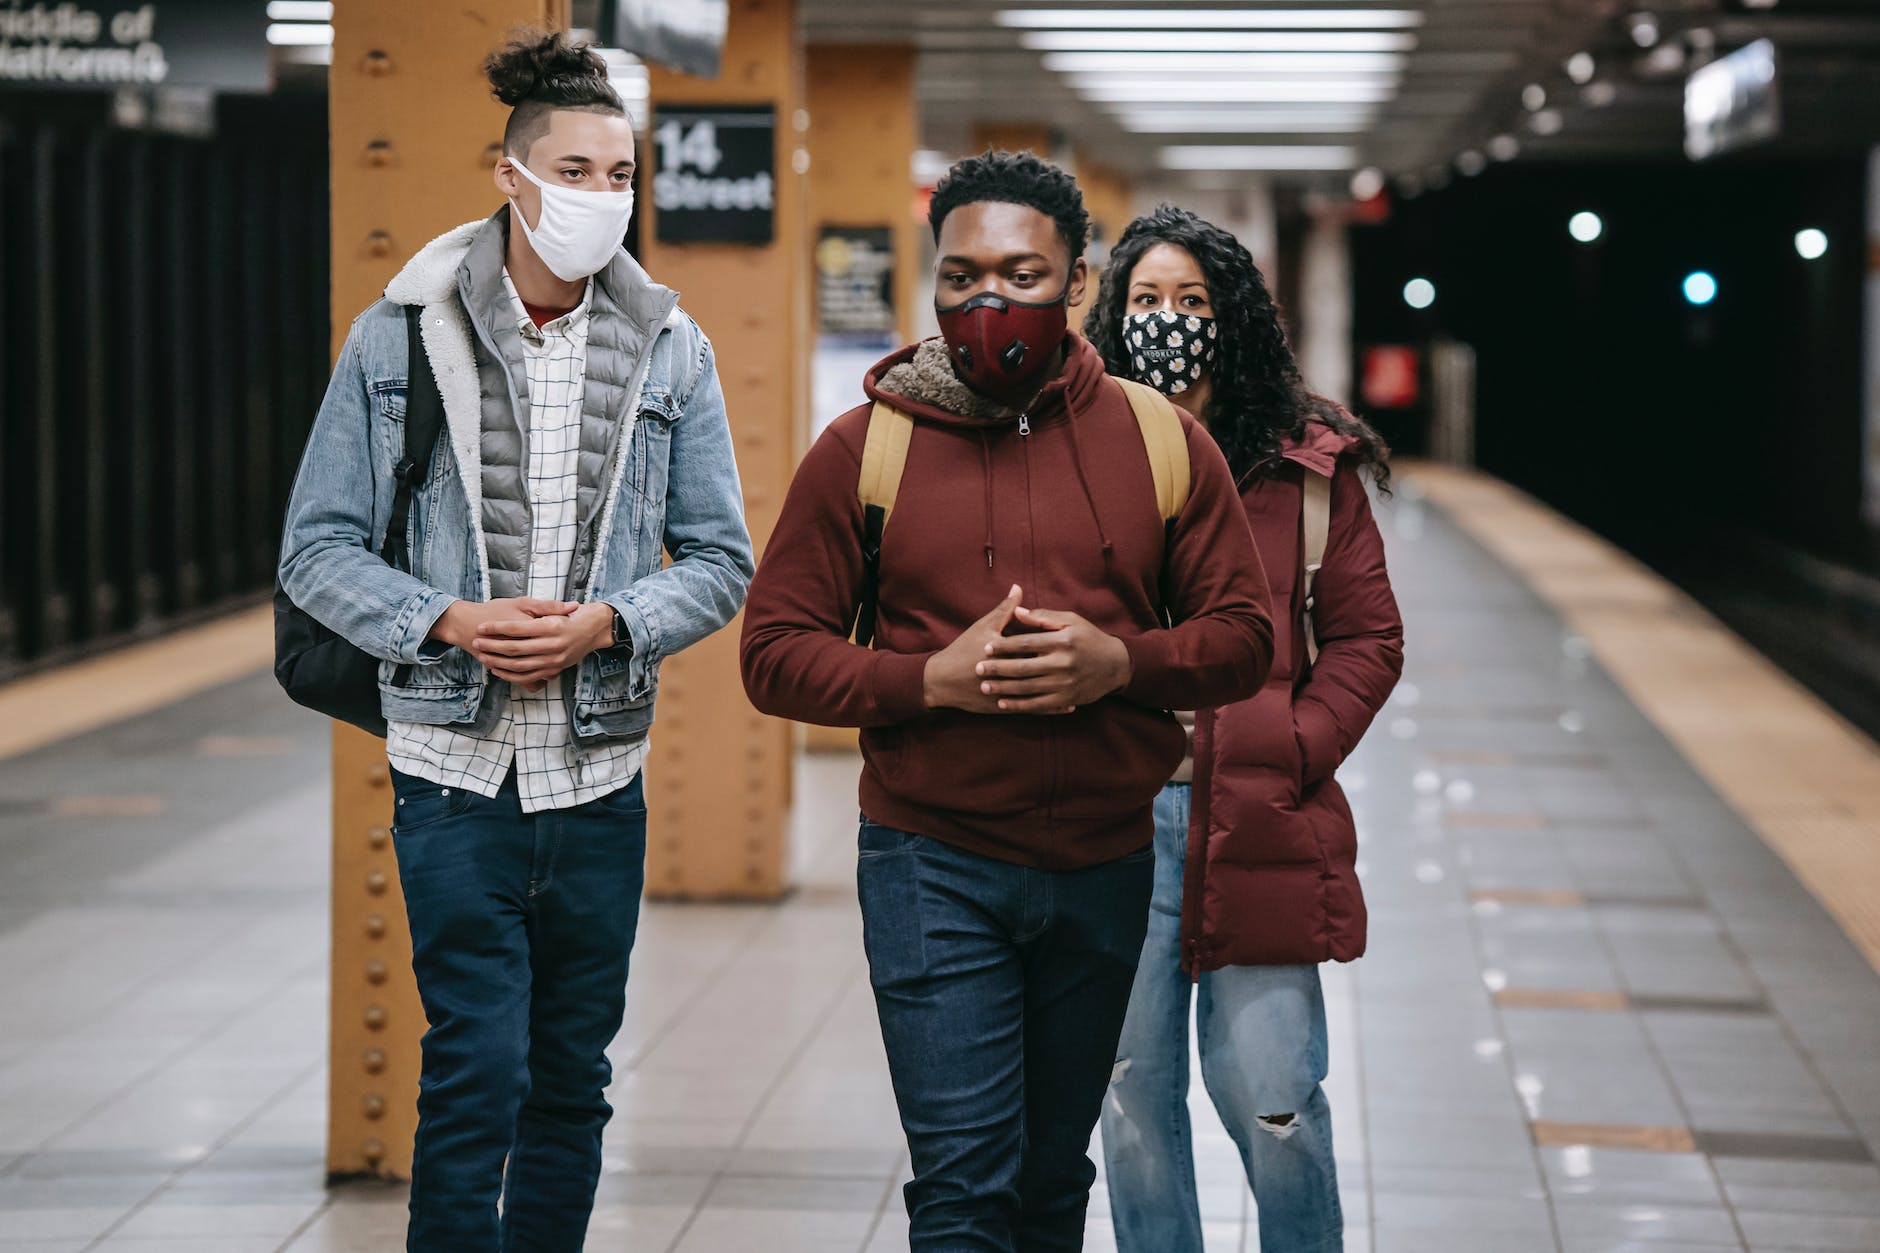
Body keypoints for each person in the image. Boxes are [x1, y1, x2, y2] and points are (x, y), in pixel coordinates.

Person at [740, 151, 1275, 1251]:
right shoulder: (864, 446)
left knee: (1043, 1181)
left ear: (1078, 283)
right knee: (964, 1186)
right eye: (960, 275)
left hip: (1103, 865)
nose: (988, 302)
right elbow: (774, 654)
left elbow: (1243, 640)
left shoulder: (1161, 442)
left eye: (1021, 274)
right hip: (930, 860)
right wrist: (924, 679)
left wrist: (1117, 663)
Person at [277, 31, 752, 1252]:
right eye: (576, 170)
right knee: (474, 1067)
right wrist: (445, 616)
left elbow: (719, 560)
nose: (602, 198)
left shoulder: (670, 346)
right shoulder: (399, 339)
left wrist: (612, 620)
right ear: (510, 174)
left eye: (619, 176)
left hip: (597, 776)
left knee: (570, 1076)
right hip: (452, 775)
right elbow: (314, 551)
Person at [1084, 205, 1403, 1253]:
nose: (1167, 321)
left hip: (1258, 818)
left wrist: (1293, 745)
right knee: (1128, 1100)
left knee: (1277, 1101)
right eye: (1144, 300)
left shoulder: (1303, 465)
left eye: (1191, 301)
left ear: (1234, 320)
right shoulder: (1075, 448)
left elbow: (1364, 637)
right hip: (1112, 819)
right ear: (1111, 316)